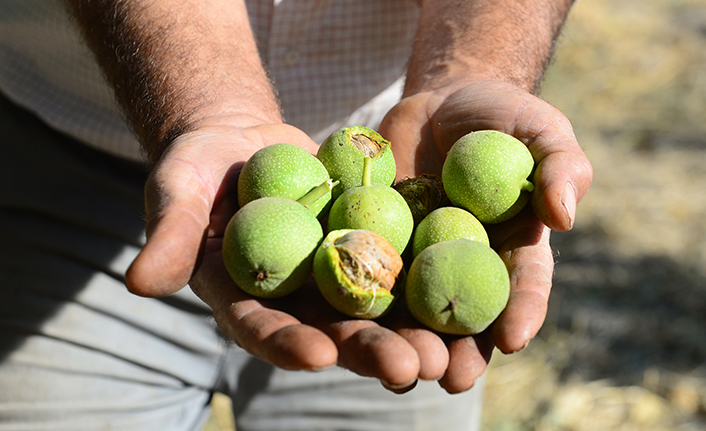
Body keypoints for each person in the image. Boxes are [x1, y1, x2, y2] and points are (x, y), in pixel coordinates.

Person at [0, 0, 592, 430]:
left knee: (406, 361)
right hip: (71, 161)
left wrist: (473, 74)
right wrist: (212, 109)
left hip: (415, 150)